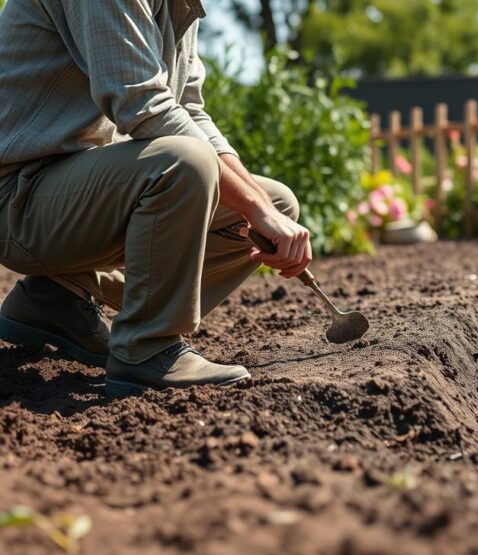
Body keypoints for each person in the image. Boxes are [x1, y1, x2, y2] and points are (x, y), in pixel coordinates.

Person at [0, 0, 313, 396]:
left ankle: (55, 299)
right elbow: (141, 104)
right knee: (184, 163)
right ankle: (147, 349)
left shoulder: (180, 5)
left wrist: (261, 207)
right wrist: (253, 205)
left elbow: (191, 111)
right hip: (16, 198)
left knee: (276, 202)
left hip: (70, 190)